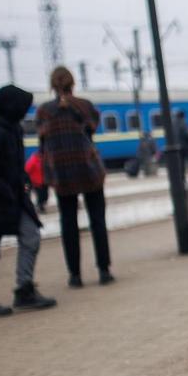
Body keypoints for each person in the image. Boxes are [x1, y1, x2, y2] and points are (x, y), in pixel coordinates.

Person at [0, 85, 56, 318]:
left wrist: (23, 181)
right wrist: (5, 190)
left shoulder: (11, 129)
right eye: (23, 108)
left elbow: (13, 165)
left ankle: (24, 290)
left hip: (13, 198)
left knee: (31, 236)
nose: (26, 112)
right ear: (13, 108)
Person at [35, 66, 113, 288]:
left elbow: (42, 143)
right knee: (97, 220)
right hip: (88, 170)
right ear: (72, 83)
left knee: (68, 222)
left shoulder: (44, 111)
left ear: (52, 85)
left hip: (62, 174)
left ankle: (75, 275)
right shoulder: (85, 105)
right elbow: (93, 128)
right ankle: (104, 270)